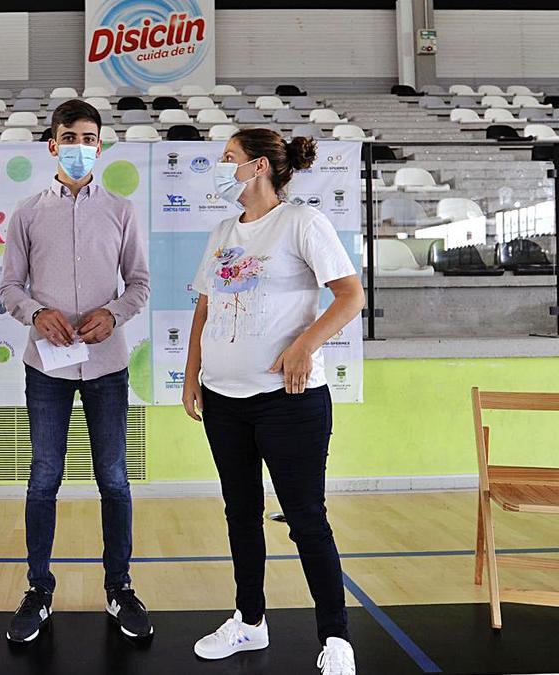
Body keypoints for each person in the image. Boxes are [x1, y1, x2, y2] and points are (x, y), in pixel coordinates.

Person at [181, 129, 365, 674]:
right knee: (241, 514)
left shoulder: (302, 222)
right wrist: (191, 376)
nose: (220, 166)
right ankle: (249, 622)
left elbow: (350, 294)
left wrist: (304, 346)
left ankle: (336, 637)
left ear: (258, 166)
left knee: (307, 517)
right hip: (223, 401)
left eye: (228, 158)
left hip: (288, 402)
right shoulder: (221, 231)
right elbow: (203, 310)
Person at [0, 99, 153, 642]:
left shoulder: (122, 210)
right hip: (46, 366)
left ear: (101, 145)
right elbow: (9, 287)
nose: (81, 146)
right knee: (45, 478)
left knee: (114, 478)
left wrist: (113, 314)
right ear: (52, 144)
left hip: (108, 365)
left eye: (90, 138)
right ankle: (39, 589)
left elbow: (139, 284)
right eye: (71, 136)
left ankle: (120, 587)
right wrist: (36, 314)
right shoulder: (26, 213)